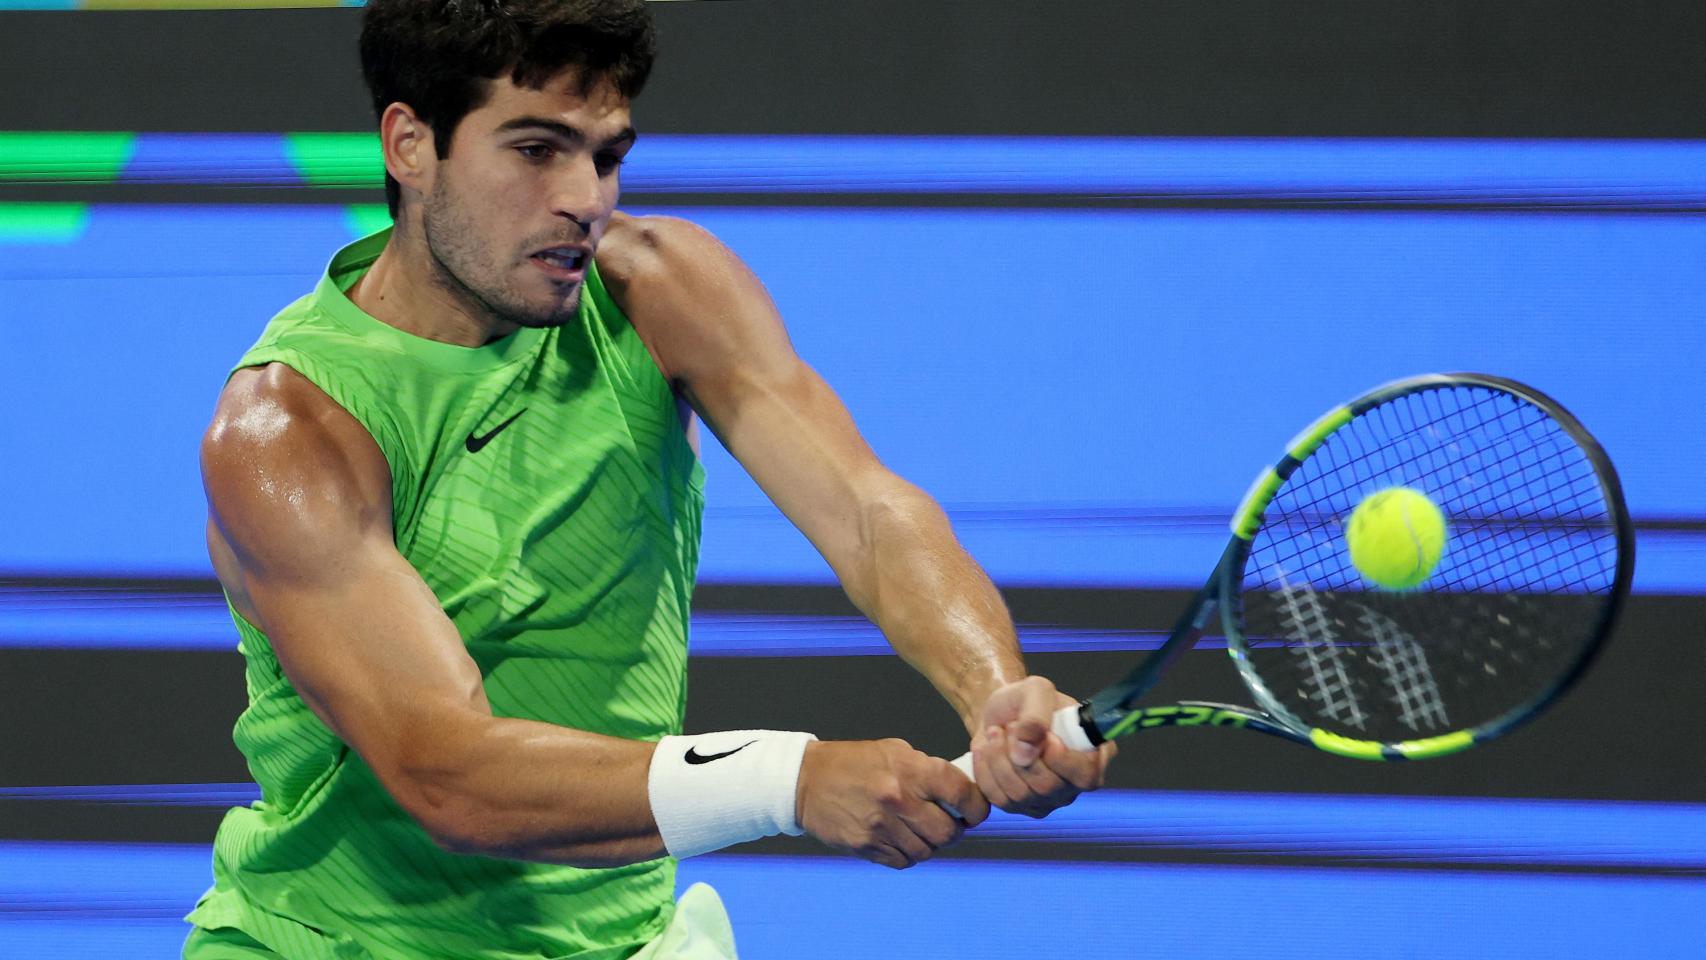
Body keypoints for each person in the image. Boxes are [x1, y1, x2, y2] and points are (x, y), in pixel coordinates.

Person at [182, 1, 1115, 957]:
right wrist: (785, 779)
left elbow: (868, 513)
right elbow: (448, 773)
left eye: (606, 155)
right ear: (410, 144)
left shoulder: (658, 290)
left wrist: (996, 691)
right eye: (537, 150)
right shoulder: (289, 428)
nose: (585, 197)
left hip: (620, 939)